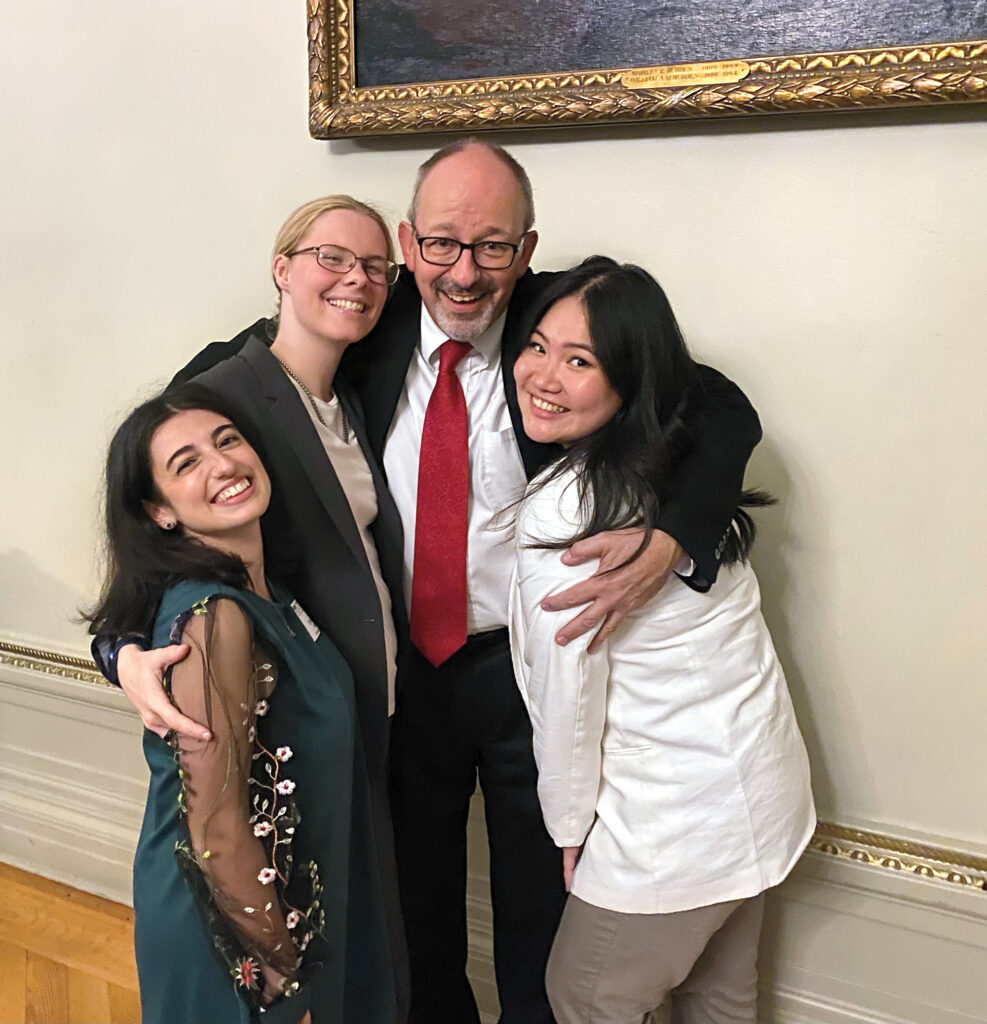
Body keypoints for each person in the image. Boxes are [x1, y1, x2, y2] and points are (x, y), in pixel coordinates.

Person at [105, 141, 764, 1024]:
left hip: (527, 668)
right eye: (440, 245)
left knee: (544, 903)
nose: (463, 272)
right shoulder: (357, 331)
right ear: (411, 245)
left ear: (524, 252)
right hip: (400, 673)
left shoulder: (556, 322)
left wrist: (675, 535)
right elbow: (156, 473)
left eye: (491, 247)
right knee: (413, 909)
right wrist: (119, 646)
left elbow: (721, 406)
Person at [92, 194, 411, 1016]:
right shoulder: (221, 395)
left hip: (334, 754)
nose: (356, 279)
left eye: (376, 265)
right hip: (263, 813)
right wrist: (121, 651)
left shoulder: (369, 375)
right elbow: (148, 531)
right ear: (282, 268)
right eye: (330, 258)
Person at [509, 258, 816, 1024]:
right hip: (756, 793)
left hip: (671, 820)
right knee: (718, 998)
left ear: (628, 381)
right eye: (537, 346)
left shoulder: (565, 515)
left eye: (579, 361)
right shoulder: (680, 469)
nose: (543, 375)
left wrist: (568, 829)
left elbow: (566, 700)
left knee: (584, 994)